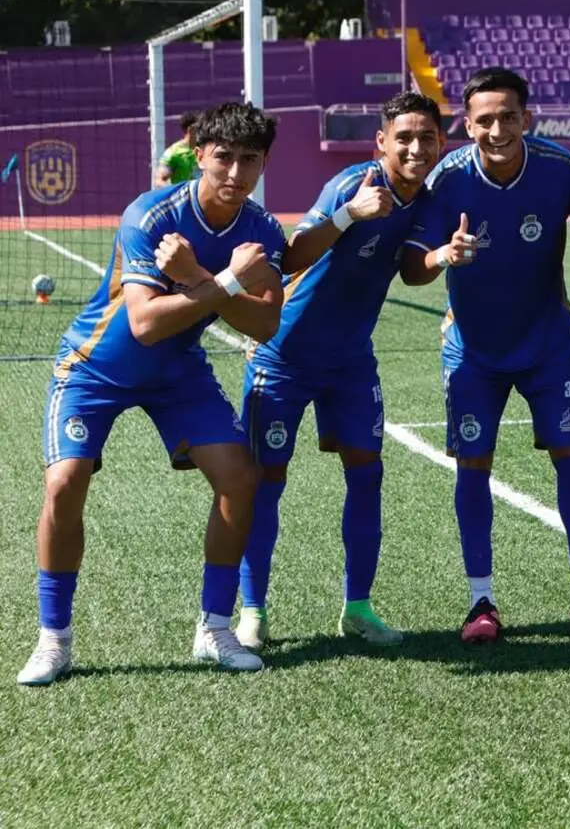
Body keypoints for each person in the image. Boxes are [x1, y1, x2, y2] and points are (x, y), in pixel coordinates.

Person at [19, 102, 286, 685]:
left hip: (177, 373)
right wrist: (228, 281)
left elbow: (265, 325)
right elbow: (143, 323)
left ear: (264, 163)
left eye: (249, 160)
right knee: (64, 483)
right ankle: (53, 638)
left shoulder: (264, 232)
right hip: (94, 366)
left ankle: (215, 627)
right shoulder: (151, 213)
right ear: (199, 156)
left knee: (240, 477)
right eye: (223, 158)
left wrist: (202, 280)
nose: (235, 172)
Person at [400, 67, 570, 644]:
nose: (496, 130)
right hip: (473, 351)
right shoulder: (446, 180)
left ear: (527, 118)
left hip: (547, 344)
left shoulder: (562, 170)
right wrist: (443, 256)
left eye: (507, 117)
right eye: (484, 120)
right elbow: (411, 269)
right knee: (473, 467)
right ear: (466, 124)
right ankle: (481, 601)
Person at [234, 92, 445, 651]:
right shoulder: (353, 183)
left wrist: (444, 257)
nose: (415, 148)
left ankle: (358, 608)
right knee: (265, 481)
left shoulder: (428, 201)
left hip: (351, 360)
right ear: (382, 142)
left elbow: (412, 270)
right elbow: (294, 253)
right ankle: (252, 610)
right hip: (283, 355)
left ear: (441, 143)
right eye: (404, 137)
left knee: (367, 474)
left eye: (426, 137)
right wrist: (352, 213)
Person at [155, 111, 200, 186]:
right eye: (200, 127)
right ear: (190, 129)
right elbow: (160, 180)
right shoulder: (174, 152)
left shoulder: (206, 149)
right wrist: (177, 191)